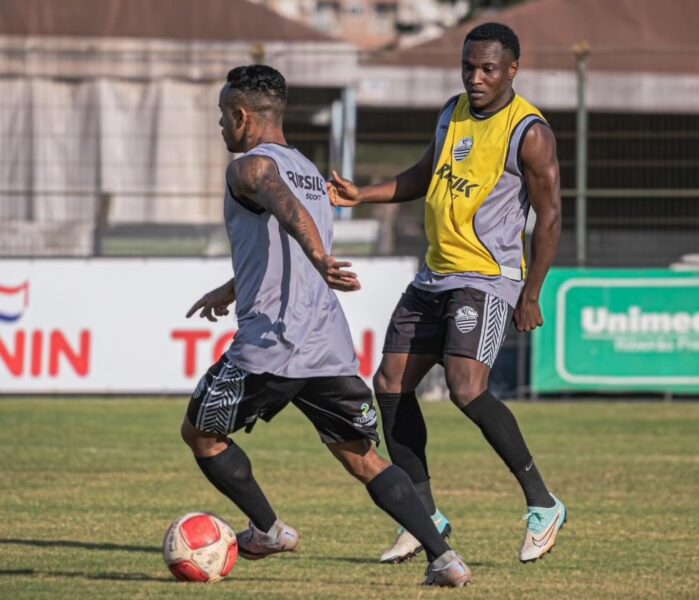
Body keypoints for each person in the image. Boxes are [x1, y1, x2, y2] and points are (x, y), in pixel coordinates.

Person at [180, 64, 472, 588]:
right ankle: (445, 559)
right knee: (364, 459)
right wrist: (228, 291)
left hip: (271, 346)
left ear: (243, 116)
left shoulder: (250, 168)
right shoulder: (308, 170)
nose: (221, 126)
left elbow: (282, 207)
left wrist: (317, 256)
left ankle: (268, 530)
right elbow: (274, 247)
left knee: (201, 433)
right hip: (326, 346)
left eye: (224, 116)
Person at [328, 22, 566, 565]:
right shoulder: (452, 112)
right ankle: (424, 518)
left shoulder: (528, 131)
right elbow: (426, 174)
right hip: (434, 274)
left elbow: (551, 216)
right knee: (388, 384)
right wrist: (365, 193)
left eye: (487, 69)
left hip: (486, 278)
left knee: (465, 387)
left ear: (512, 70)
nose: (475, 78)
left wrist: (532, 293)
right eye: (468, 67)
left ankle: (543, 503)